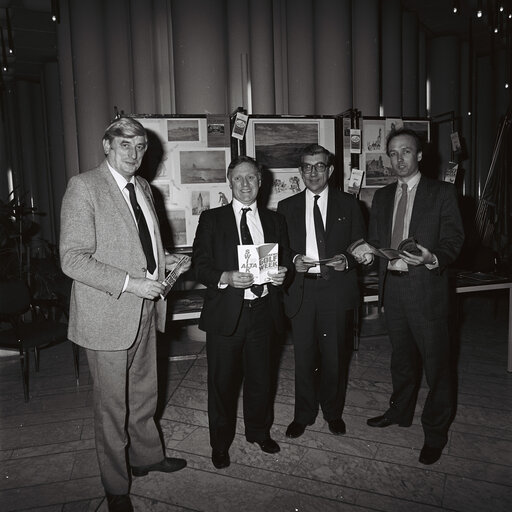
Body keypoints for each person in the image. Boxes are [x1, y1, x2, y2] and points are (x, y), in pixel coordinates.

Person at [60, 117, 191, 512]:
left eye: (139, 147)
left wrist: (166, 260)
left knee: (144, 393)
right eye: (125, 145)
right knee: (112, 407)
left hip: (148, 308)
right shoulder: (84, 187)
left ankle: (147, 456)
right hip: (108, 314)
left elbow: (141, 246)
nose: (133, 154)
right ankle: (116, 486)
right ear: (106, 145)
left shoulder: (144, 187)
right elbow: (72, 260)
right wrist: (132, 284)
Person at [357, 128, 464, 465]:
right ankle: (400, 412)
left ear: (419, 155)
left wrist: (433, 257)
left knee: (437, 367)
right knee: (401, 361)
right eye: (392, 153)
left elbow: (455, 240)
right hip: (395, 289)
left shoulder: (442, 192)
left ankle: (435, 433)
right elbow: (376, 239)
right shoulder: (383, 196)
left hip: (428, 291)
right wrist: (365, 249)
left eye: (405, 151)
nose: (398, 158)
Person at [192, 155, 291, 469]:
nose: (245, 184)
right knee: (222, 384)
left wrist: (282, 275)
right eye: (239, 178)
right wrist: (225, 277)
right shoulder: (212, 219)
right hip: (227, 315)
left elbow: (284, 261)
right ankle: (220, 445)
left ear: (261, 182)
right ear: (229, 181)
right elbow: (199, 266)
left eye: (251, 178)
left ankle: (258, 432)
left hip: (264, 311)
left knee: (262, 379)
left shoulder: (275, 220)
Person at [277, 144, 366, 439]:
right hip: (303, 291)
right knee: (303, 358)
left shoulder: (350, 204)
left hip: (336, 290)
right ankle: (303, 414)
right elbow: (283, 249)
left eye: (319, 166)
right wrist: (292, 261)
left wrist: (348, 259)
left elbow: (359, 245)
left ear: (329, 170)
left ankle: (333, 412)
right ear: (300, 171)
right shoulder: (287, 207)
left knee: (334, 357)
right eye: (306, 166)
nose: (313, 172)